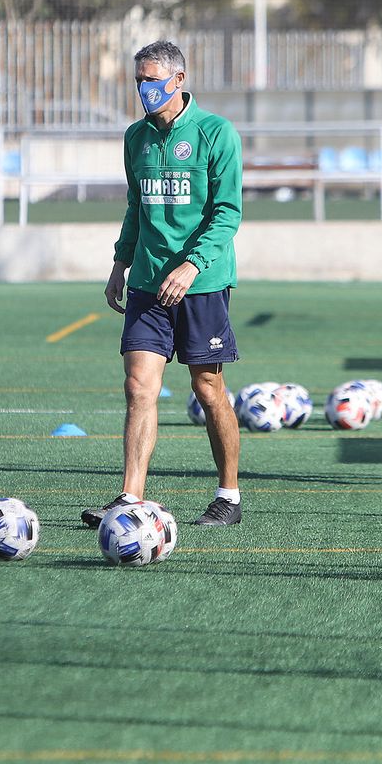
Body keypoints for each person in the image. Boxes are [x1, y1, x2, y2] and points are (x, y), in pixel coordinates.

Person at [85, 40, 244, 529]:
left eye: (151, 80)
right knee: (138, 386)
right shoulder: (135, 138)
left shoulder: (217, 134)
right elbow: (137, 205)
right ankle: (130, 498)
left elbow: (227, 213)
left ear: (178, 79)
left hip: (202, 283)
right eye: (138, 81)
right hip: (149, 283)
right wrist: (120, 261)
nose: (144, 90)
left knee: (207, 385)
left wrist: (192, 265)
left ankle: (229, 496)